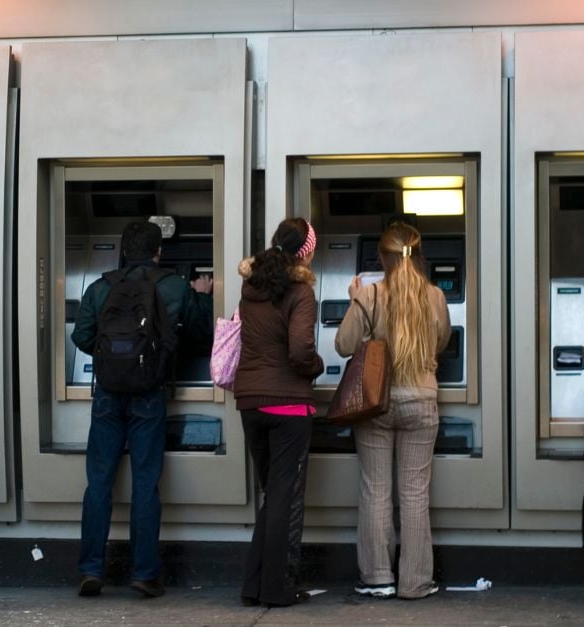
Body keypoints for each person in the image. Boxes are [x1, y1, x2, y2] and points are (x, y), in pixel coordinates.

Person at [71, 220, 213, 598]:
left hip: (107, 395)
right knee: (145, 484)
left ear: (122, 249)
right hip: (149, 394)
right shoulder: (174, 286)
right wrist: (201, 296)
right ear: (158, 251)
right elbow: (203, 334)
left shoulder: (100, 287)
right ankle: (145, 573)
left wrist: (113, 359)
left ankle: (89, 569)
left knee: (99, 482)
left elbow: (81, 335)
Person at [336, 222, 450, 601]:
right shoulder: (434, 296)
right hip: (421, 400)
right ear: (419, 256)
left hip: (376, 403)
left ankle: (377, 578)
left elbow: (343, 344)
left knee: (375, 491)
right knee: (415, 494)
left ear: (382, 257)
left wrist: (355, 300)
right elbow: (442, 342)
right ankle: (415, 582)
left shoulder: (369, 294)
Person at [233, 218, 324, 607]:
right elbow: (300, 349)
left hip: (251, 401)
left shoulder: (250, 286)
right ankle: (279, 589)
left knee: (273, 496)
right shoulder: (300, 291)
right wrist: (317, 366)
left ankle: (254, 586)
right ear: (306, 252)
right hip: (287, 405)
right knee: (285, 500)